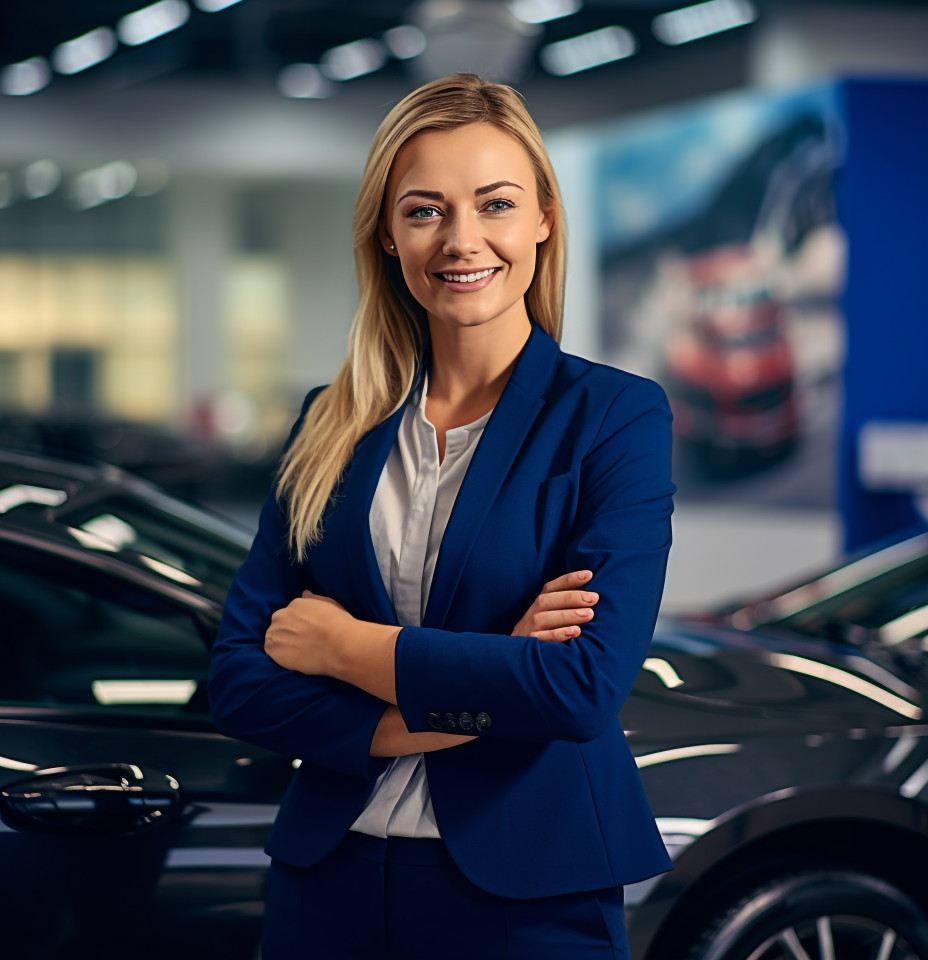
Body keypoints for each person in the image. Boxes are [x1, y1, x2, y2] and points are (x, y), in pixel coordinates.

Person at [208, 73, 675, 959]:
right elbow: (239, 680)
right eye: (425, 210)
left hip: (528, 896)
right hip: (328, 884)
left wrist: (348, 651)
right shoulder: (328, 421)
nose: (463, 240)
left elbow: (579, 690)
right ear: (387, 233)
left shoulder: (613, 416)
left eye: (495, 204)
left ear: (542, 215)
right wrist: (468, 690)